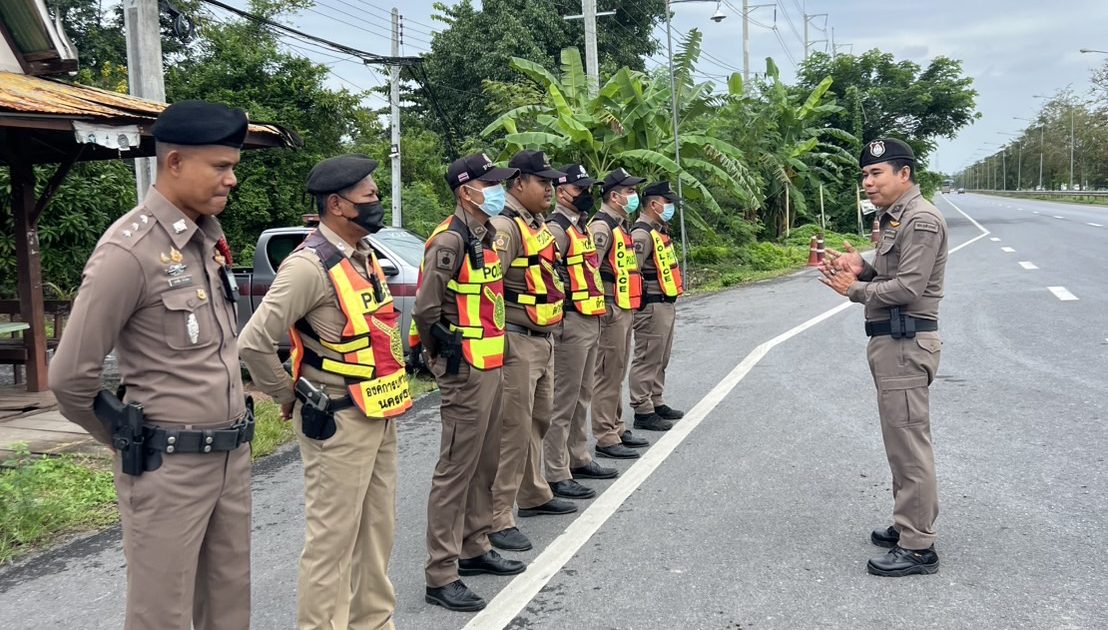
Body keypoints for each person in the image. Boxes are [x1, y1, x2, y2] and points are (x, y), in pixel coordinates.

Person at [49, 100, 254, 630]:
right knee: (161, 615)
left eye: (233, 166)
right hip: (169, 469)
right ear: (175, 162)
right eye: (221, 166)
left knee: (229, 606)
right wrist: (126, 439)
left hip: (230, 457)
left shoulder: (206, 242)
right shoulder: (129, 251)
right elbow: (70, 378)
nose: (232, 179)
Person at [237, 154, 412, 628]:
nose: (377, 202)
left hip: (377, 411)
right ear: (337, 205)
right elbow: (253, 342)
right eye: (369, 196)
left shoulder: (363, 255)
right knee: (332, 544)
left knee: (376, 534)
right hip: (336, 419)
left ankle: (374, 623)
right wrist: (288, 394)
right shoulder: (308, 266)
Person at [818, 137, 948, 577]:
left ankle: (919, 546)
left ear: (904, 174)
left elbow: (909, 287)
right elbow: (892, 272)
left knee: (909, 444)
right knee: (899, 440)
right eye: (865, 175)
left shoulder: (921, 220)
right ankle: (906, 522)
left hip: (906, 343)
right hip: (892, 341)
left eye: (877, 173)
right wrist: (865, 267)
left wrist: (854, 289)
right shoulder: (897, 217)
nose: (868, 183)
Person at [415, 153, 525, 612]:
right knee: (456, 469)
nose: (497, 191)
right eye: (489, 184)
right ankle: (441, 573)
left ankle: (475, 546)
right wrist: (442, 355)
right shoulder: (449, 240)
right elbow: (426, 310)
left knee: (486, 459)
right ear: (466, 191)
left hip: (492, 361)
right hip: (465, 370)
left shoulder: (486, 235)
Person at [488, 150, 575, 554]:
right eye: (543, 182)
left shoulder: (535, 225)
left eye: (553, 182)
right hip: (516, 339)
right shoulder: (505, 228)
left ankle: (534, 493)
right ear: (519, 182)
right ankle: (497, 517)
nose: (551, 189)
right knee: (513, 428)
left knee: (537, 420)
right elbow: (489, 288)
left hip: (542, 336)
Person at [543, 164, 619, 499]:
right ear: (562, 193)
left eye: (588, 188)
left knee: (582, 395)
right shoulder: (556, 229)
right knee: (563, 401)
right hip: (570, 321)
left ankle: (578, 457)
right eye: (580, 189)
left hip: (589, 318)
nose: (586, 194)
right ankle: (556, 471)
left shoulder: (580, 227)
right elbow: (546, 277)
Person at [589, 168, 648, 459]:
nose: (633, 197)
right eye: (629, 192)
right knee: (607, 372)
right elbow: (590, 271)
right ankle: (605, 435)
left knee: (617, 370)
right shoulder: (601, 228)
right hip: (610, 307)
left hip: (623, 305)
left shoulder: (619, 225)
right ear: (614, 196)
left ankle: (617, 426)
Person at [628, 181, 686, 432]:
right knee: (647, 357)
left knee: (660, 356)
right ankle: (642, 409)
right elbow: (631, 271)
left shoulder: (657, 231)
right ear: (653, 204)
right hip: (650, 305)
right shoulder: (641, 234)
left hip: (664, 302)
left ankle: (656, 399)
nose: (670, 207)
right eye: (667, 202)